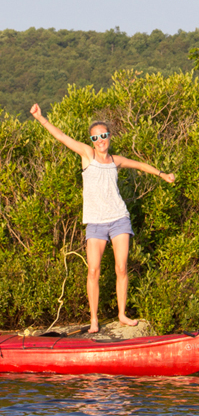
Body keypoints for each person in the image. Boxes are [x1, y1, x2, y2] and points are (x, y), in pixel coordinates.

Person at [30, 103, 175, 333]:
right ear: (91, 141)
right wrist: (40, 118)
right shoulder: (87, 155)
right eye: (96, 137)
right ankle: (95, 319)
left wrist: (162, 174)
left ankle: (122, 314)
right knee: (93, 270)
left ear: (109, 137)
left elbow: (138, 164)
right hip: (95, 222)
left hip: (119, 219)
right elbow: (62, 137)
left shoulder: (115, 161)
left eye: (104, 135)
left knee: (121, 268)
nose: (100, 140)